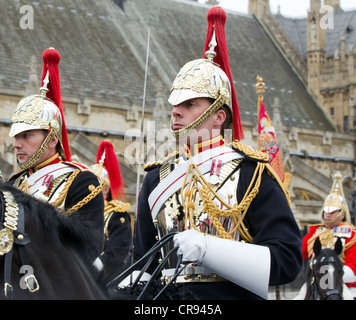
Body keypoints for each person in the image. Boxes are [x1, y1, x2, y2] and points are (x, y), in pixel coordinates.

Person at [132, 6, 302, 300]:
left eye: (190, 105)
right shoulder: (156, 178)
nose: (176, 112)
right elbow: (143, 257)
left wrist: (210, 250)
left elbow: (287, 260)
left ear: (218, 116)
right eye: (176, 105)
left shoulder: (251, 172)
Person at [7, 48, 104, 264]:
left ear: (52, 140)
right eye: (16, 136)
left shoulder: (79, 181)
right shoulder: (14, 183)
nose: (16, 144)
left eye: (26, 136)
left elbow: (89, 245)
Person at [302, 171, 356, 299]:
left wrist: (333, 276)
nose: (328, 215)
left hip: (342, 282)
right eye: (326, 211)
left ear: (341, 214)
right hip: (315, 281)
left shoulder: (351, 234)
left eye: (332, 212)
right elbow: (299, 253)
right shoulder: (313, 233)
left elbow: (353, 264)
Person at [91, 140, 132, 288]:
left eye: (96, 190)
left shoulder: (116, 215)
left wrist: (98, 264)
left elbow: (118, 251)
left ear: (105, 190)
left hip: (106, 278)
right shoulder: (81, 213)